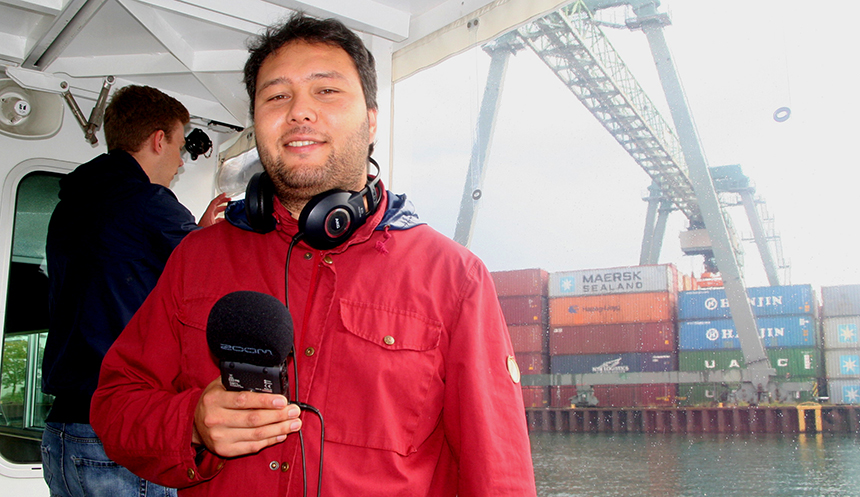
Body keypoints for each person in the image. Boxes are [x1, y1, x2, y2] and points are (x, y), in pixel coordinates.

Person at [90, 13, 536, 496]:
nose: (300, 111)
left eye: (326, 91)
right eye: (277, 96)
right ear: (257, 122)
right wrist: (192, 424)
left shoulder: (455, 277)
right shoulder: (197, 258)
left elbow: (499, 477)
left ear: (370, 120)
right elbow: (115, 404)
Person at [41, 85, 229, 497]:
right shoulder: (147, 202)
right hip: (115, 432)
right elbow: (211, 271)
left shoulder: (70, 205)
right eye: (180, 146)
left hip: (61, 435)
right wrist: (212, 239)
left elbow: (117, 269)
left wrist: (194, 234)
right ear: (158, 140)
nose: (181, 160)